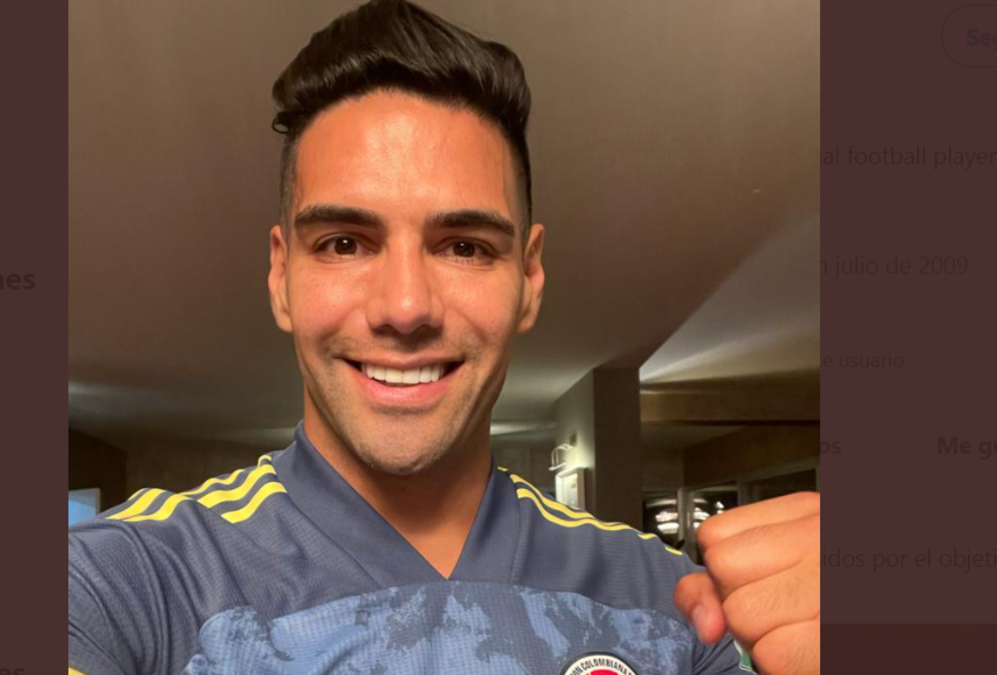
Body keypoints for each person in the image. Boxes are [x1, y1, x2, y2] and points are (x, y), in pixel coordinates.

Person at [67, 1, 820, 673]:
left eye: (464, 246)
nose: (405, 307)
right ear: (281, 274)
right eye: (343, 243)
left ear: (529, 278)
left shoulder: (671, 604)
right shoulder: (127, 581)